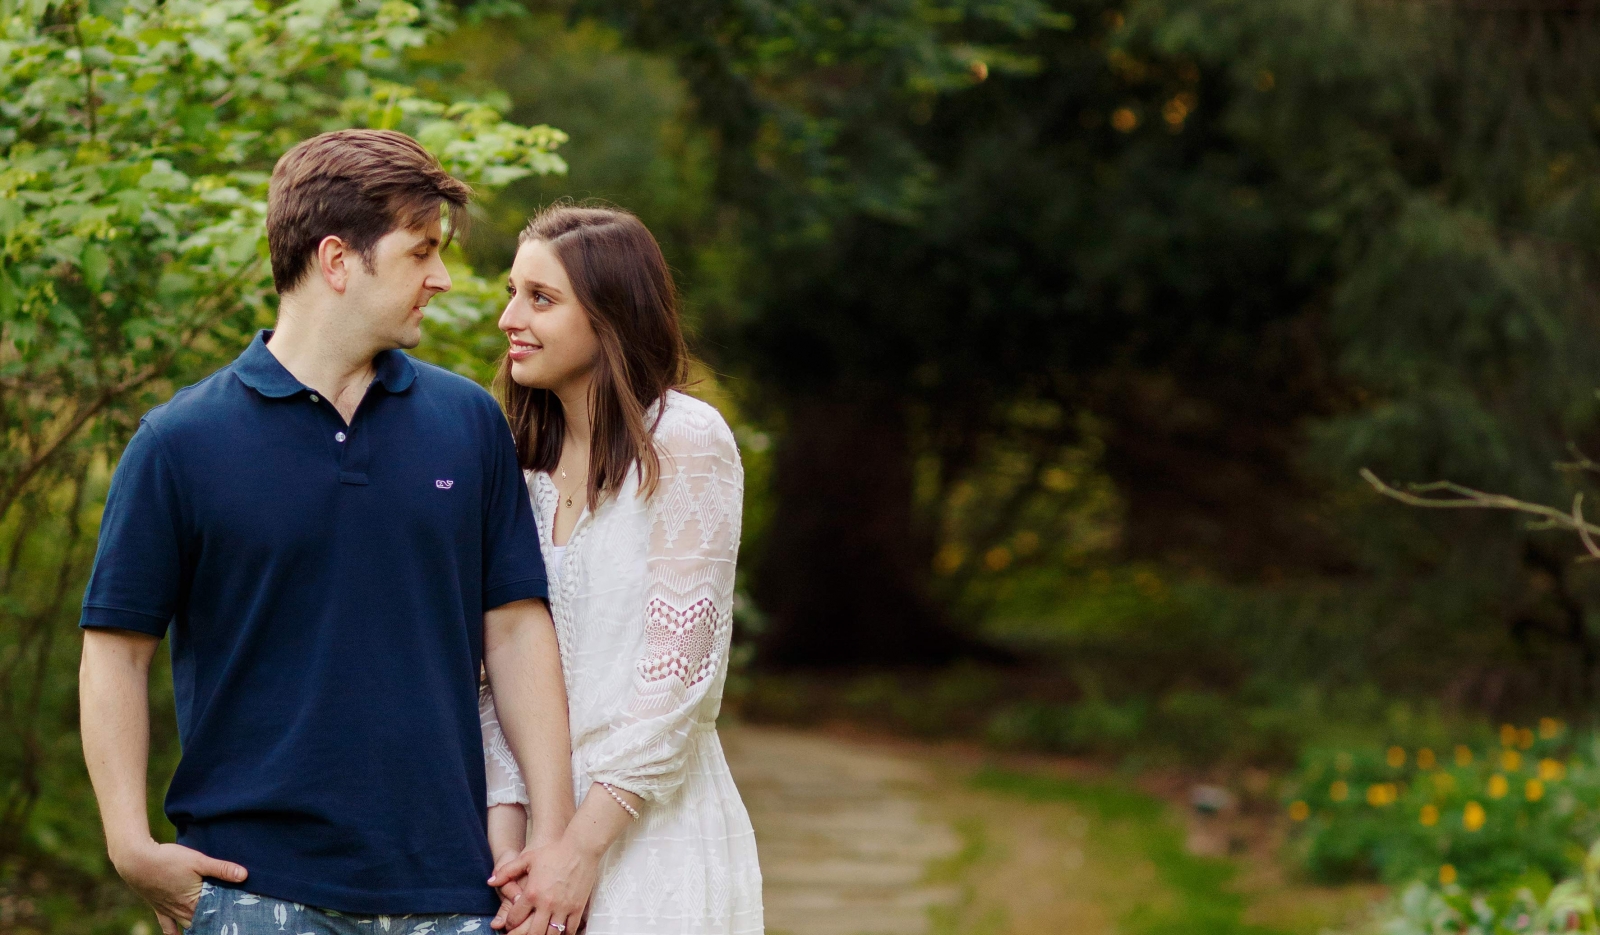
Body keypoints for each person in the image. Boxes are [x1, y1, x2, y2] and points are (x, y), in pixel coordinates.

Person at [77, 129, 584, 935]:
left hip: (453, 886)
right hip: (253, 886)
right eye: (421, 252)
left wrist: (553, 833)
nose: (441, 278)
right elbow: (116, 650)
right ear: (338, 260)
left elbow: (518, 631)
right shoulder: (179, 443)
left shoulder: (469, 424)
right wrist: (128, 843)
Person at [479, 204, 763, 935]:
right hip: (530, 850)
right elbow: (494, 676)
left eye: (541, 299)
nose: (511, 318)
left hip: (651, 832)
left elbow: (677, 678)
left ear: (610, 316)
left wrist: (579, 850)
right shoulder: (517, 465)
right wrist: (512, 854)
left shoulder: (686, 442)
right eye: (512, 292)